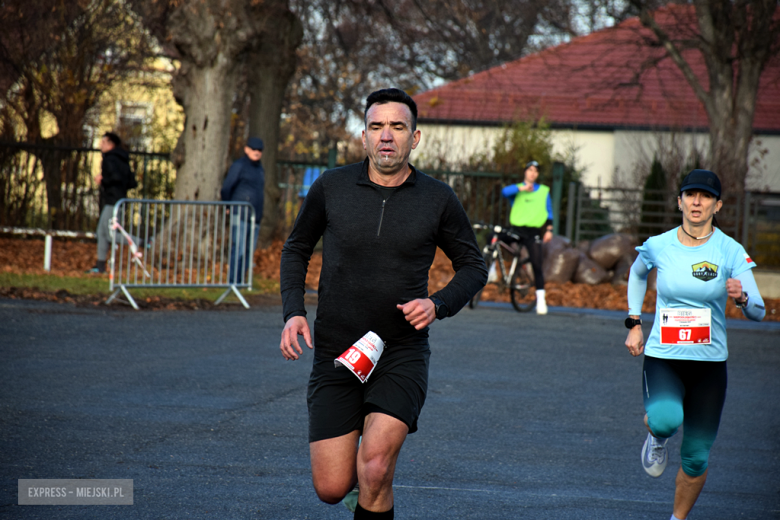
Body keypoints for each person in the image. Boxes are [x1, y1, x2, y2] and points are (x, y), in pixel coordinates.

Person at [279, 88, 487, 519]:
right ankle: (361, 490)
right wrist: (293, 312)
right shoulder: (331, 187)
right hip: (337, 352)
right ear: (363, 137)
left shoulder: (437, 198)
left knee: (374, 467)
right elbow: (296, 247)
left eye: (397, 127)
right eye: (377, 127)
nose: (386, 136)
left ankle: (373, 488)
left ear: (415, 138)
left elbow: (473, 266)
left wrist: (438, 304)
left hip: (400, 351)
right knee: (332, 488)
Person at [624, 169, 765, 520]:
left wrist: (743, 296)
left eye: (704, 196)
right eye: (690, 195)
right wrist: (634, 322)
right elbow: (637, 273)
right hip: (664, 357)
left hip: (710, 364)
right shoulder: (659, 244)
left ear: (717, 205)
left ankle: (677, 518)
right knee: (665, 419)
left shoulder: (730, 251)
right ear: (680, 202)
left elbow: (760, 311)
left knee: (697, 455)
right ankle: (657, 437)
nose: (696, 202)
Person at [501, 160, 554, 314]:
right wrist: (522, 188)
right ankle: (491, 269)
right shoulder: (517, 190)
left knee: (537, 263)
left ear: (537, 174)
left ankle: (541, 299)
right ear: (525, 172)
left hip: (533, 232)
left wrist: (549, 230)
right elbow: (504, 192)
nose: (532, 173)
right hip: (516, 230)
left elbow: (549, 211)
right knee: (494, 236)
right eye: (530, 170)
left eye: (535, 171)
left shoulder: (544, 191)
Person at [88, 132, 138, 274]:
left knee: (110, 233)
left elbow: (116, 178)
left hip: (112, 201)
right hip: (119, 200)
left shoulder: (110, 159)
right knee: (102, 232)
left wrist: (103, 180)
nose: (100, 145)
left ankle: (144, 242)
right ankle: (100, 265)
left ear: (111, 145)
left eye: (103, 143)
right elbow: (131, 182)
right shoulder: (123, 159)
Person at [220, 137, 265, 284]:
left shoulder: (260, 169)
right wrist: (228, 206)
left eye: (259, 150)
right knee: (238, 249)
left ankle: (242, 281)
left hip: (255, 217)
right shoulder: (239, 165)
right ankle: (233, 281)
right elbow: (226, 188)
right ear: (246, 149)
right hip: (239, 214)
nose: (256, 152)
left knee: (248, 251)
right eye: (254, 149)